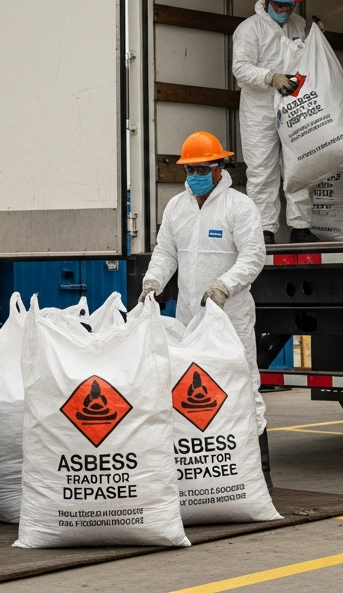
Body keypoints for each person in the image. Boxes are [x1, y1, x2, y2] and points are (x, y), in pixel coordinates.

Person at [140, 131, 273, 488]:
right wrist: (153, 282)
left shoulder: (238, 206)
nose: (193, 176)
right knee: (190, 391)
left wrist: (223, 286)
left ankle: (259, 473)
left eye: (201, 169)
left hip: (231, 317)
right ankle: (200, 472)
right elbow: (166, 252)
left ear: (218, 168)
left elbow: (253, 256)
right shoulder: (177, 208)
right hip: (189, 317)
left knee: (243, 387)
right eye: (189, 170)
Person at [232, 0, 318, 245]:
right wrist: (271, 77)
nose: (284, 10)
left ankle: (300, 228)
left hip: (294, 105)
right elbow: (240, 69)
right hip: (259, 110)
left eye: (288, 5)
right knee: (261, 171)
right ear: (266, 0)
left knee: (299, 165)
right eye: (279, 4)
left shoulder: (298, 25)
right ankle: (264, 232)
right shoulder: (250, 29)